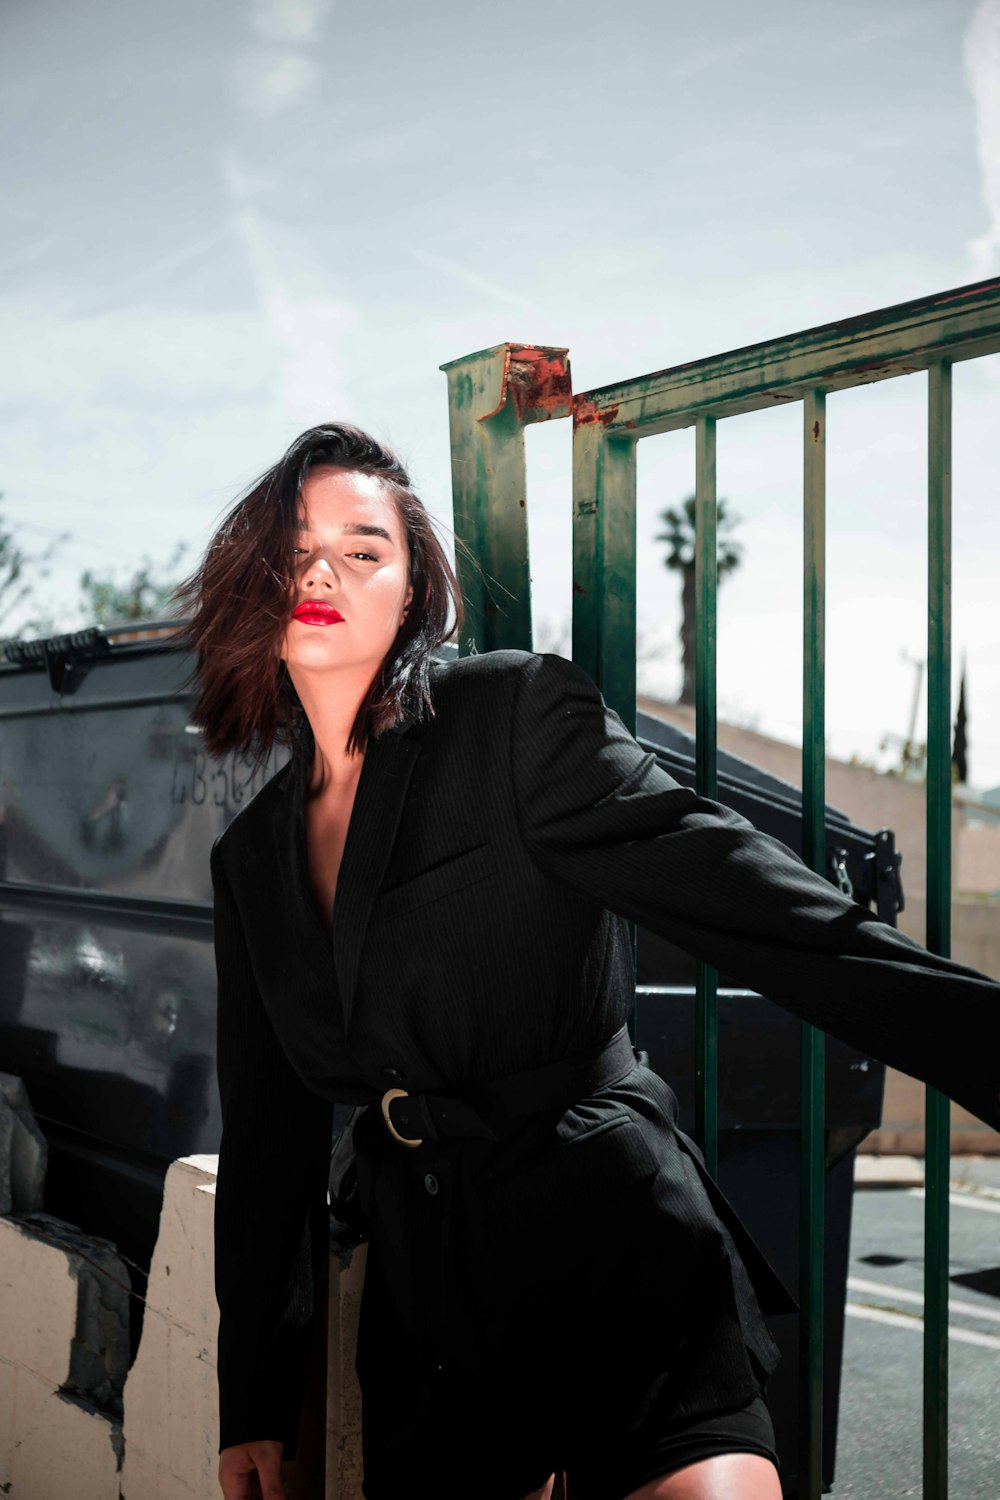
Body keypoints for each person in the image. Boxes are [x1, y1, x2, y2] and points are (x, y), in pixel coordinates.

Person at [171, 422, 1000, 1500]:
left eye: (364, 548)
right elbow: (273, 1136)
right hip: (430, 1305)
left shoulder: (510, 718)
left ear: (414, 588)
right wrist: (254, 1403)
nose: (324, 571)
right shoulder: (251, 861)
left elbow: (766, 912)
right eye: (297, 548)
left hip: (615, 1239)